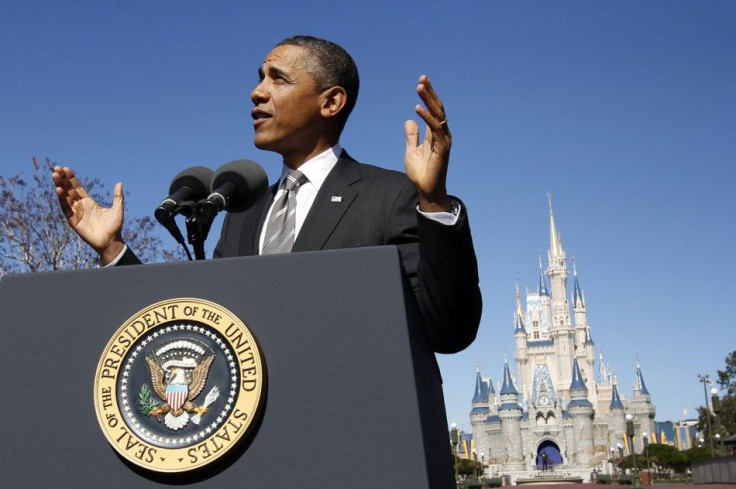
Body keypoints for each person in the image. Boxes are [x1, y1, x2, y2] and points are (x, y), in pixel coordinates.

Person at [53, 35, 482, 353]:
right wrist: (112, 250)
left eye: (277, 78)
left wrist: (435, 203)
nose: (257, 92)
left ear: (330, 102)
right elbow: (194, 327)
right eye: (260, 78)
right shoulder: (244, 210)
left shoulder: (391, 197)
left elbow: (448, 330)